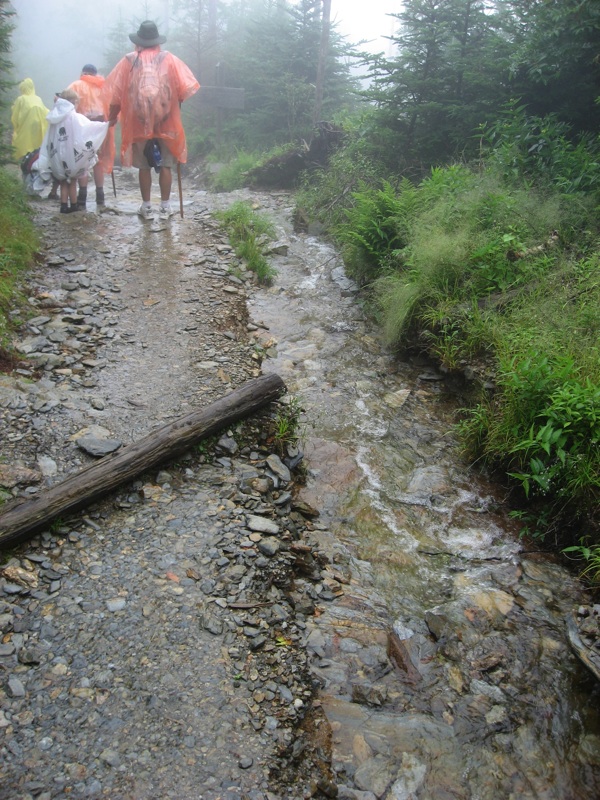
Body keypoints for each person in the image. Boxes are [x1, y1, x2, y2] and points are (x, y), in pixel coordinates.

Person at [105, 20, 199, 221]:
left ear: (138, 40)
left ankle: (147, 207)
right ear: (157, 41)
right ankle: (165, 207)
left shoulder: (128, 61)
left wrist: (112, 118)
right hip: (166, 121)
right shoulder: (169, 59)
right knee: (166, 164)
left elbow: (116, 96)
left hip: (138, 122)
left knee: (144, 166)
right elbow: (184, 90)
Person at [33, 89, 108, 214]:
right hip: (71, 157)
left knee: (63, 182)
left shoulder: (54, 118)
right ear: (73, 103)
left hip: (57, 158)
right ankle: (73, 205)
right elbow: (87, 128)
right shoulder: (75, 117)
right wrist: (105, 125)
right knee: (72, 181)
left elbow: (50, 138)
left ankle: (63, 206)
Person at [67, 64, 116, 208]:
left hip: (82, 128)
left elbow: (62, 101)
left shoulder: (75, 85)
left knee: (82, 160)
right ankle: (100, 197)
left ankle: (82, 197)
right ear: (95, 74)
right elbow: (113, 107)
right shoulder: (104, 87)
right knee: (98, 161)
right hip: (100, 128)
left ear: (83, 73)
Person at [11, 78, 49, 160]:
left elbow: (15, 117)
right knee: (34, 152)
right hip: (38, 131)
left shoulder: (21, 99)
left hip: (24, 131)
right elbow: (46, 113)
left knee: (23, 150)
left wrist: (16, 128)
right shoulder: (38, 99)